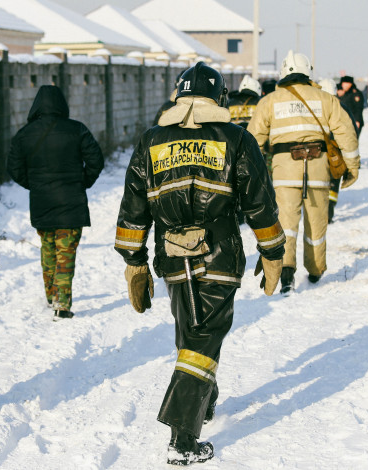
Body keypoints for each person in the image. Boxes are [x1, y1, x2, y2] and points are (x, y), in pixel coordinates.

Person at [114, 62, 286, 465]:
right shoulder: (237, 139)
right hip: (220, 256)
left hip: (173, 257)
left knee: (193, 333)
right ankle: (183, 440)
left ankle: (202, 401)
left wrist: (134, 261)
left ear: (178, 96)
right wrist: (273, 251)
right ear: (219, 98)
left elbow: (133, 208)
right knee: (202, 338)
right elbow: (259, 203)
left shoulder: (151, 141)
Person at [248, 50, 360, 294]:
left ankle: (286, 273)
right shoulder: (326, 99)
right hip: (318, 171)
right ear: (308, 71)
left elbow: (253, 140)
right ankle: (316, 269)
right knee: (316, 224)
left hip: (284, 173)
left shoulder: (269, 101)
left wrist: (253, 175)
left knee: (286, 224)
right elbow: (347, 132)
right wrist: (352, 166)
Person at [8, 85, 104, 320]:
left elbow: (14, 169)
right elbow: (96, 160)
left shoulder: (24, 134)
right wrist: (82, 182)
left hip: (42, 202)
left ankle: (52, 295)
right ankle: (61, 302)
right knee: (65, 252)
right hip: (71, 203)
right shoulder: (77, 129)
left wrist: (35, 185)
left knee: (48, 250)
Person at [318, 78, 359, 224]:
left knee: (318, 184)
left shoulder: (313, 108)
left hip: (316, 153)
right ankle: (328, 214)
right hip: (337, 153)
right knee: (333, 184)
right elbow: (352, 132)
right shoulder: (343, 108)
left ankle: (319, 213)